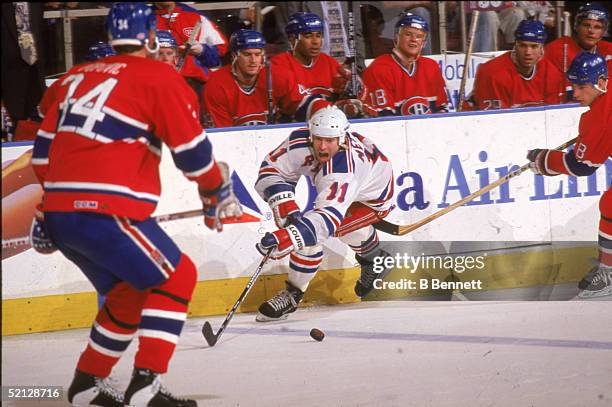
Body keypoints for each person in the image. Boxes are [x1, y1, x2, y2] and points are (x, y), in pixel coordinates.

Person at [30, 3, 242, 406]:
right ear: (149, 37)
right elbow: (192, 152)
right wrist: (215, 189)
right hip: (108, 211)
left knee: (130, 294)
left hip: (60, 214)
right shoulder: (158, 77)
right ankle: (146, 386)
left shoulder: (72, 78)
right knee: (178, 277)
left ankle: (86, 384)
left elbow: (41, 156)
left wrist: (50, 207)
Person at [253, 105, 395, 321]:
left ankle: (293, 295)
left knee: (316, 235)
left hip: (371, 199)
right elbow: (270, 170)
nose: (322, 146)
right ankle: (375, 257)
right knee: (304, 228)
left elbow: (326, 221)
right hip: (351, 187)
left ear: (342, 139)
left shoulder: (345, 168)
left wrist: (287, 237)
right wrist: (284, 204)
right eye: (318, 138)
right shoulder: (298, 142)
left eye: (330, 140)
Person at [526, 52, 611, 299]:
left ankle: (608, 276)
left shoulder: (599, 118)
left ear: (602, 82)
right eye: (573, 86)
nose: (575, 93)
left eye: (582, 87)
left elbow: (580, 166)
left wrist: (545, 160)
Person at [203, 29, 322, 127]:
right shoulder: (216, 84)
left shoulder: (277, 75)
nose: (253, 61)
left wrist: (325, 112)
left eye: (258, 54)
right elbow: (222, 134)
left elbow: (306, 103)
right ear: (234, 56)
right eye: (247, 54)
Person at [362, 13, 449, 116]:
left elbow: (442, 110)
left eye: (419, 36)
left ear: (424, 43)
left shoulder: (431, 67)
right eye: (408, 34)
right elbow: (385, 120)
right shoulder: (378, 69)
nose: (413, 39)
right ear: (396, 38)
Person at [467, 20, 565, 110]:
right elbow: (495, 121)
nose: (528, 52)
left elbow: (551, 115)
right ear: (515, 45)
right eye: (523, 45)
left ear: (542, 49)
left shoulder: (551, 73)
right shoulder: (493, 74)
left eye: (534, 46)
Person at [544, 2, 612, 97]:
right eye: (586, 25)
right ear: (576, 26)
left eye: (597, 27)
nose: (591, 31)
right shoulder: (556, 49)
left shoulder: (609, 50)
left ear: (604, 32)